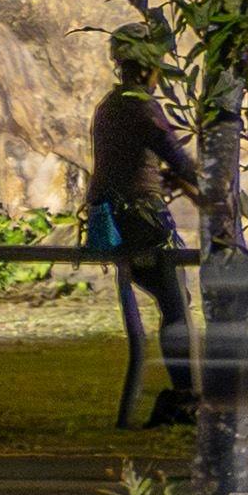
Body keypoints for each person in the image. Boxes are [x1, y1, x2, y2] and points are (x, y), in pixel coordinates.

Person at [82, 37, 195, 427]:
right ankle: (184, 399)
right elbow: (178, 158)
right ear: (149, 70)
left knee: (171, 304)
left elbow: (126, 161)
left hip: (111, 218)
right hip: (142, 221)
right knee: (176, 309)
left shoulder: (109, 106)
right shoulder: (143, 109)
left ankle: (180, 397)